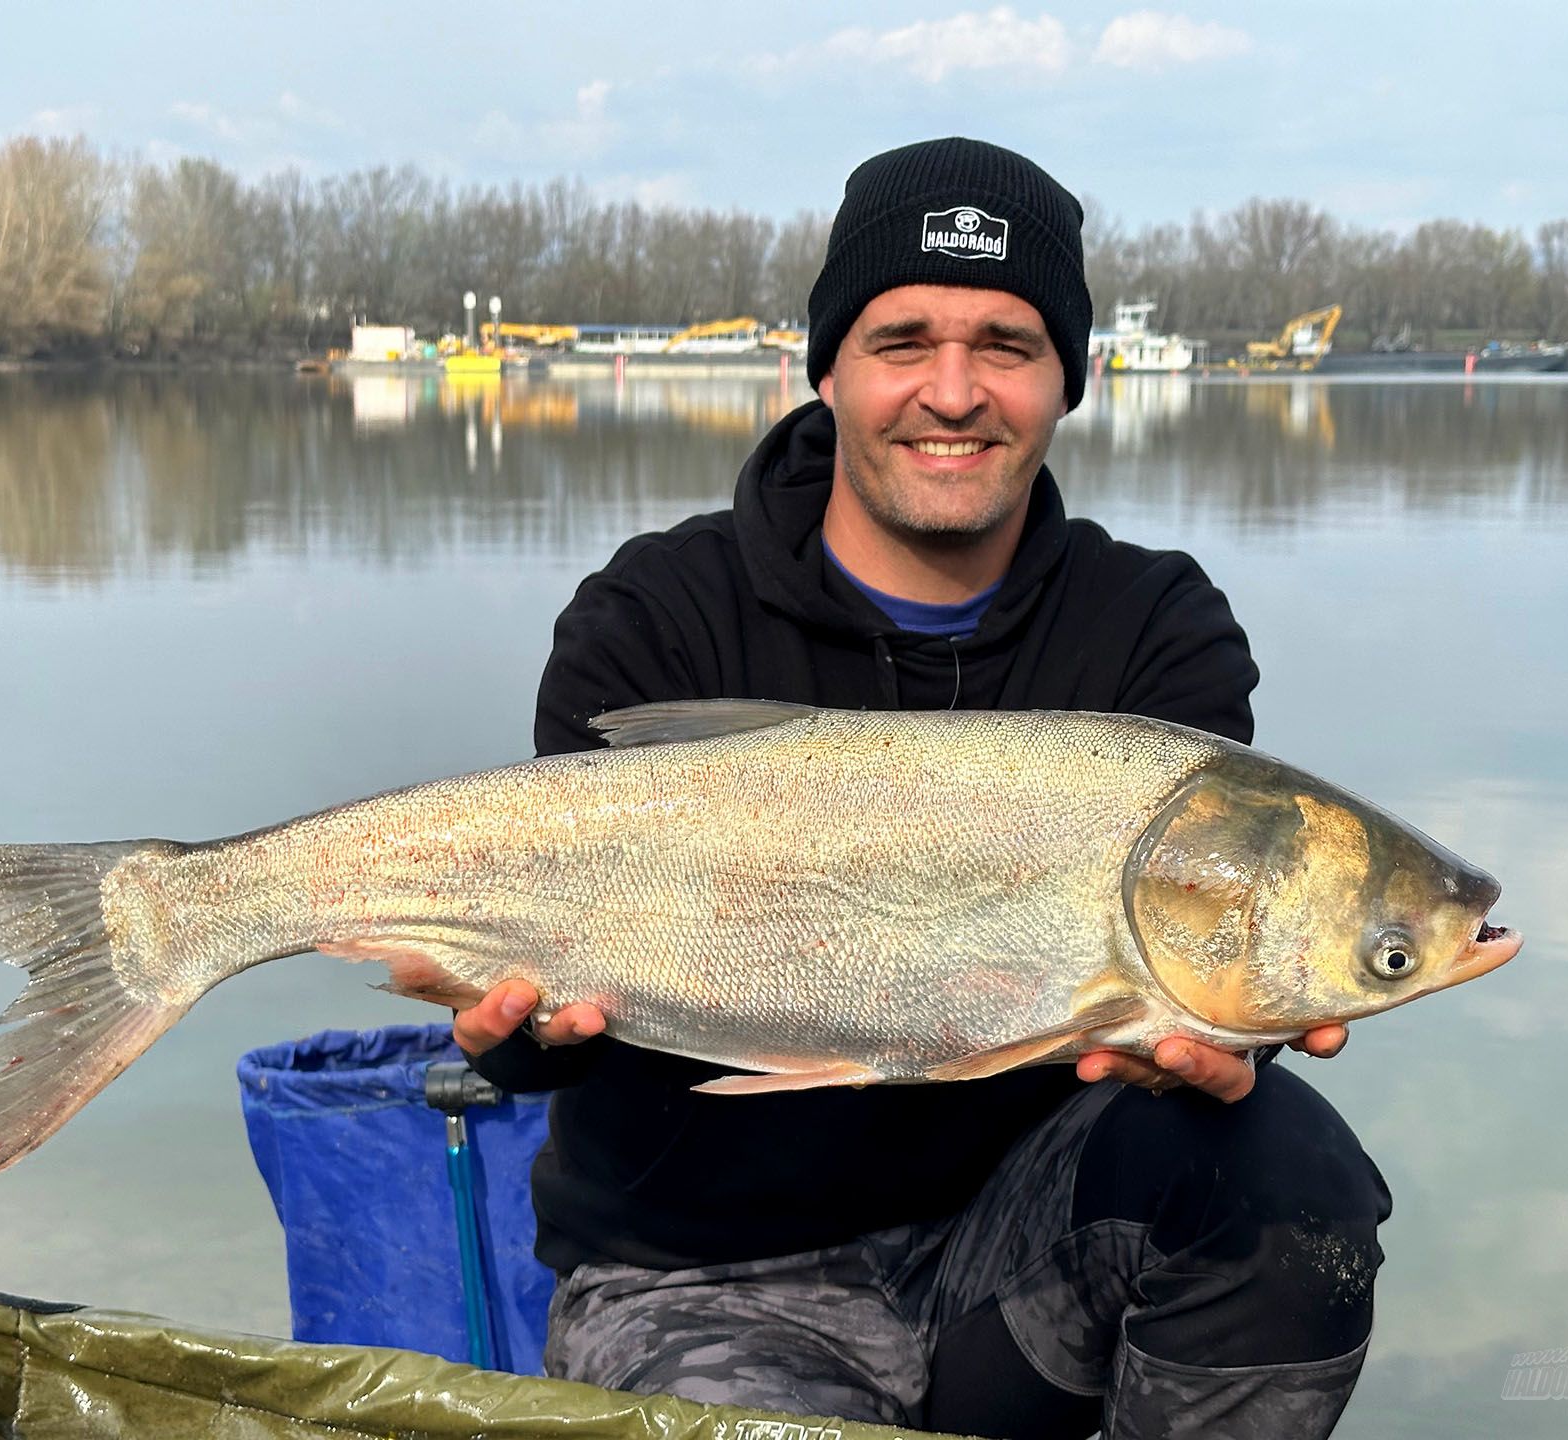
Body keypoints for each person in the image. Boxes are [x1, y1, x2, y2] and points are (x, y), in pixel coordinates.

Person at [457, 138, 1391, 1439]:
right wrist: (514, 1029)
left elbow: (1176, 990)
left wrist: (1226, 1022)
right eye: (903, 340)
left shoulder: (1157, 633)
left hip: (1011, 1257)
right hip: (704, 1276)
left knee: (1289, 1175)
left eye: (1006, 344)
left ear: (1071, 374)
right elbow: (547, 1017)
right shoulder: (655, 616)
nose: (953, 394)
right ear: (826, 365)